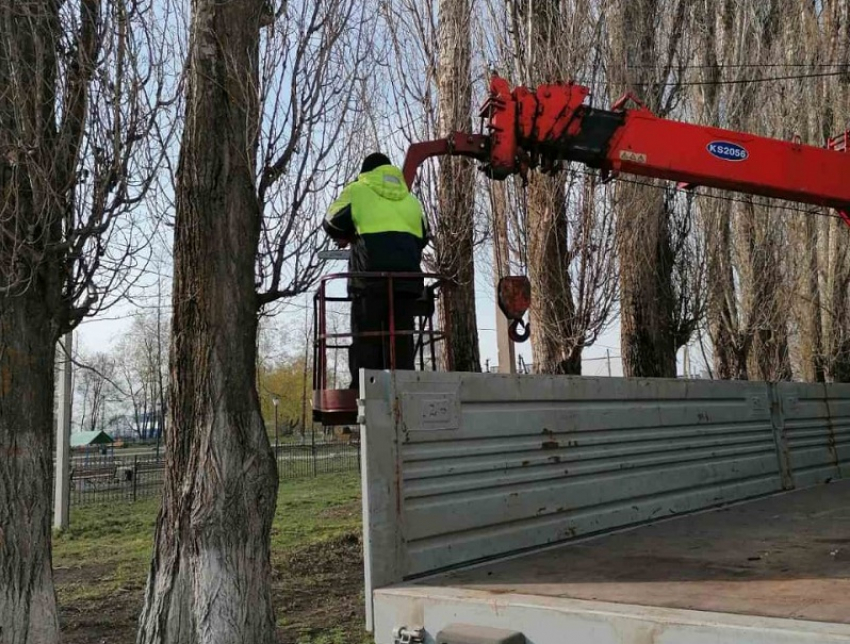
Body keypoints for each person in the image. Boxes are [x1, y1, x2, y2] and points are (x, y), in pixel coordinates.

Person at [324, 153, 429, 389]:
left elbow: (331, 222)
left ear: (366, 171)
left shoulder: (358, 189)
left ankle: (363, 388)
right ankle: (404, 384)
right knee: (402, 336)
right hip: (406, 282)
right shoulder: (411, 200)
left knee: (366, 335)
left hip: (369, 280)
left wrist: (350, 235)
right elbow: (424, 235)